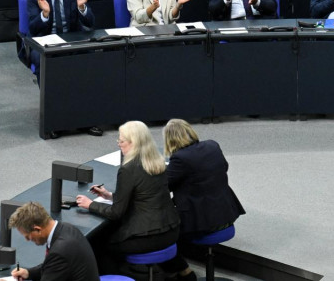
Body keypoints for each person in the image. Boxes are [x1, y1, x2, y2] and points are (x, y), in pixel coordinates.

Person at [75, 121, 181, 275]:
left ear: (134, 143)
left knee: (97, 242)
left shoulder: (128, 169)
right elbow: (145, 196)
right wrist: (109, 195)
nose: (119, 144)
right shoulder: (158, 162)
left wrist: (90, 204)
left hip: (148, 237)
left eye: (122, 141)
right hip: (171, 230)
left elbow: (116, 213)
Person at [163, 119, 245, 281]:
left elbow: (163, 186)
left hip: (203, 221)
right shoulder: (212, 146)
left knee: (161, 235)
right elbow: (223, 168)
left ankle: (184, 272)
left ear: (170, 140)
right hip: (226, 213)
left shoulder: (180, 159)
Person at [8, 201, 101, 281]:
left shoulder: (60, 251)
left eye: (27, 236)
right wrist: (29, 273)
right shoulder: (67, 228)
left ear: (37, 229)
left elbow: (54, 264)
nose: (27, 240)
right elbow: (51, 266)